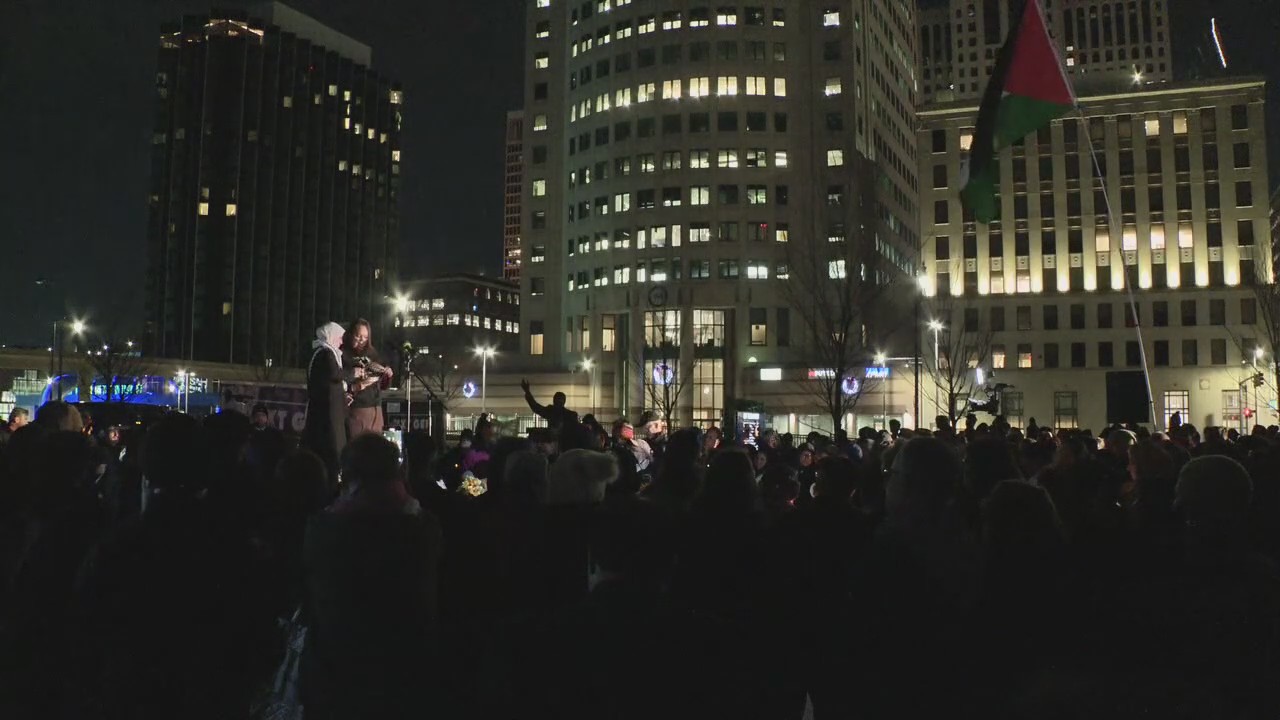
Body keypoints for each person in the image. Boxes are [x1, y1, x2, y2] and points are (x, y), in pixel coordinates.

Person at [302, 433, 443, 719]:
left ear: (348, 475)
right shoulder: (423, 528)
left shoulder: (324, 529)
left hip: (338, 671)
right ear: (398, 471)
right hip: (407, 670)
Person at [302, 322, 351, 487]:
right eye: (338, 338)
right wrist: (352, 374)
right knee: (330, 451)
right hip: (328, 415)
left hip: (331, 412)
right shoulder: (324, 353)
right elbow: (334, 373)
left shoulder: (323, 352)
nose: (340, 342)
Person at [342, 318, 393, 437]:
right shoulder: (343, 354)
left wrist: (387, 375)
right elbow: (339, 380)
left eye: (365, 337)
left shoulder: (372, 353)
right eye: (358, 336)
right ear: (350, 335)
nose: (361, 340)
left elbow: (383, 385)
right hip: (358, 409)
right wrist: (353, 375)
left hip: (376, 408)